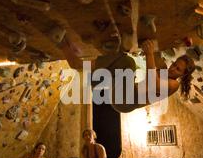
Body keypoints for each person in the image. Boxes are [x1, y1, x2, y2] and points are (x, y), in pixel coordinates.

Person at [61, 37, 196, 113]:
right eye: (174, 64)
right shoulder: (164, 69)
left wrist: (149, 54)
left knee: (128, 63)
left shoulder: (174, 85)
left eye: (178, 69)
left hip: (127, 101)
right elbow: (156, 52)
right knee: (119, 60)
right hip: (124, 93)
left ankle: (78, 65)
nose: (173, 69)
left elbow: (152, 84)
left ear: (182, 75)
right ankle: (84, 67)